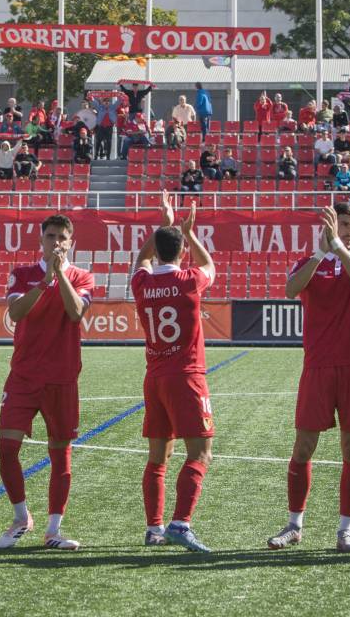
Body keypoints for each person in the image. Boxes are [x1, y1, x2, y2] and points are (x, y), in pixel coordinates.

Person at [269, 203, 350, 553]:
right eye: (343, 224)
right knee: (303, 447)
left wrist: (340, 247)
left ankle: (345, 530)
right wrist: (322, 250)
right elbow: (290, 290)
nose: (349, 231)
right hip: (317, 367)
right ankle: (294, 525)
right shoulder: (308, 263)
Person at [0, 214, 94, 551]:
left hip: (62, 377)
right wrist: (44, 280)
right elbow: (17, 313)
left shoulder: (82, 276)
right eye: (51, 236)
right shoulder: (23, 274)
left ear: (71, 243)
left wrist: (60, 276)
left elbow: (75, 312)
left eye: (62, 237)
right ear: (41, 239)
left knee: (60, 455)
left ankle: (53, 530)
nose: (56, 242)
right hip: (23, 374)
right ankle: (22, 517)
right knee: (7, 447)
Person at [131, 192, 216, 552]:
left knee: (157, 457)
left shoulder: (142, 283)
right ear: (182, 252)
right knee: (200, 452)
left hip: (155, 377)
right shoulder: (189, 280)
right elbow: (211, 265)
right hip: (187, 376)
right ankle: (180, 523)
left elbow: (141, 258)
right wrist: (189, 231)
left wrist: (166, 224)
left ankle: (154, 527)